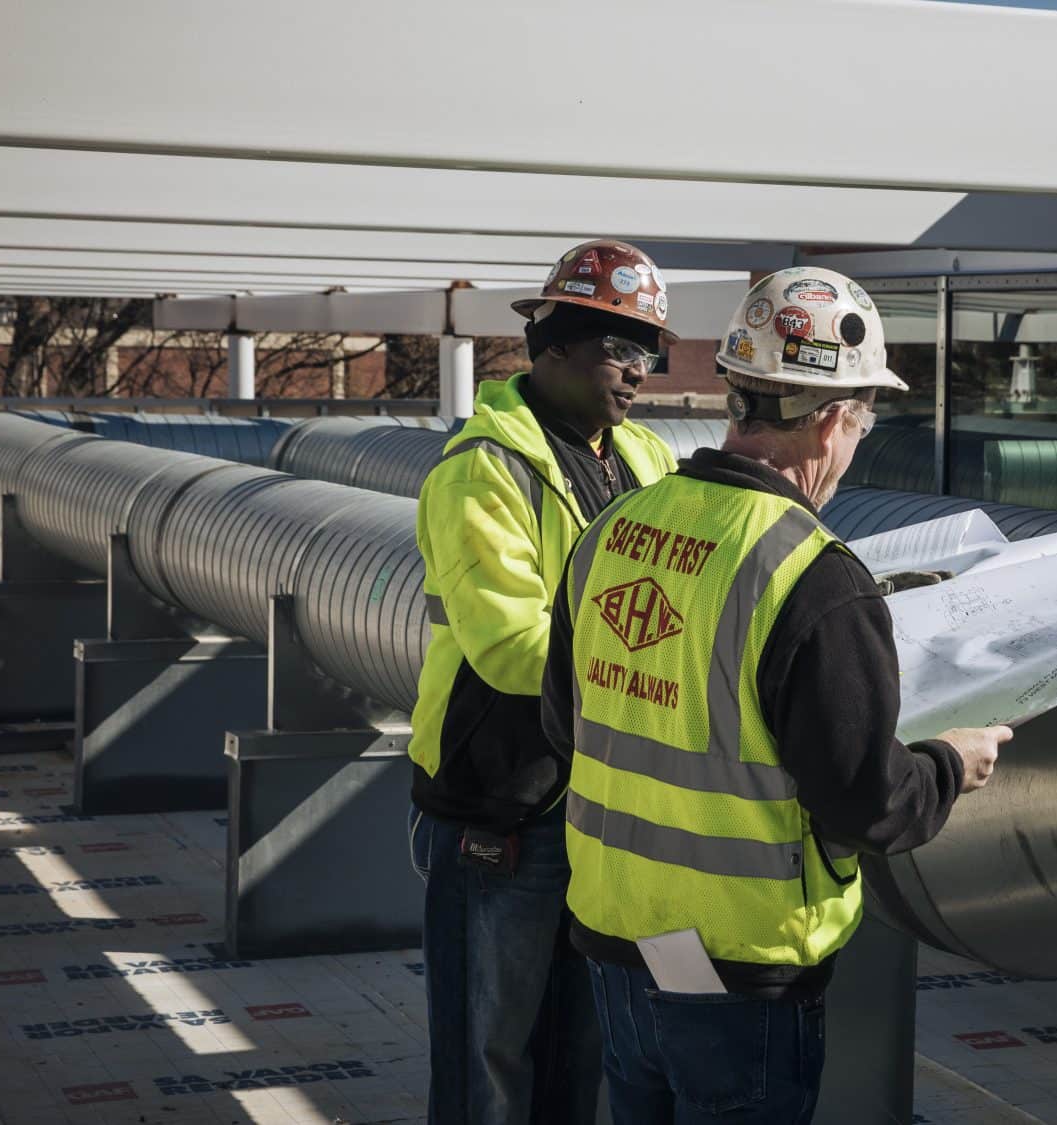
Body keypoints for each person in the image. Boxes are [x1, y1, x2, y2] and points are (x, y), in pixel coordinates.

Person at [540, 266, 1011, 1124]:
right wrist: (950, 763)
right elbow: (863, 801)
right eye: (860, 427)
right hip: (741, 977)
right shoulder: (813, 575)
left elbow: (563, 724)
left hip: (616, 946)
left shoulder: (612, 531)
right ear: (834, 419)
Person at [407, 239, 680, 1124]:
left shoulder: (646, 462)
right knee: (491, 1056)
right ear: (554, 343)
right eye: (621, 349)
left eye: (651, 353)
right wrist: (662, 677)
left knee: (583, 1048)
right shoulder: (482, 470)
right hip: (505, 806)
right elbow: (512, 649)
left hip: (602, 806)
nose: (640, 372)